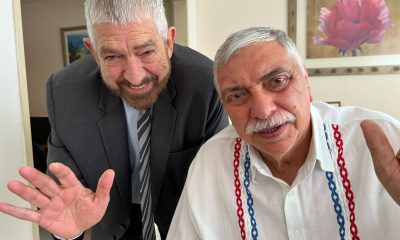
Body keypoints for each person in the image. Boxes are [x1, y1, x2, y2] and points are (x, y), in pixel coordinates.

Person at [0, 0, 228, 239]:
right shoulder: (64, 93)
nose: (134, 76)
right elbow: (66, 198)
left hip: (184, 222)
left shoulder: (205, 83)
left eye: (147, 52)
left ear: (169, 42)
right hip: (109, 223)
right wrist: (70, 230)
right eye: (112, 56)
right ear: (93, 53)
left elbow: (216, 186)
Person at [166, 27, 400, 239]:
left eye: (277, 81)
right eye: (237, 96)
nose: (263, 111)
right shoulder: (211, 164)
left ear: (306, 81)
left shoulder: (383, 139)